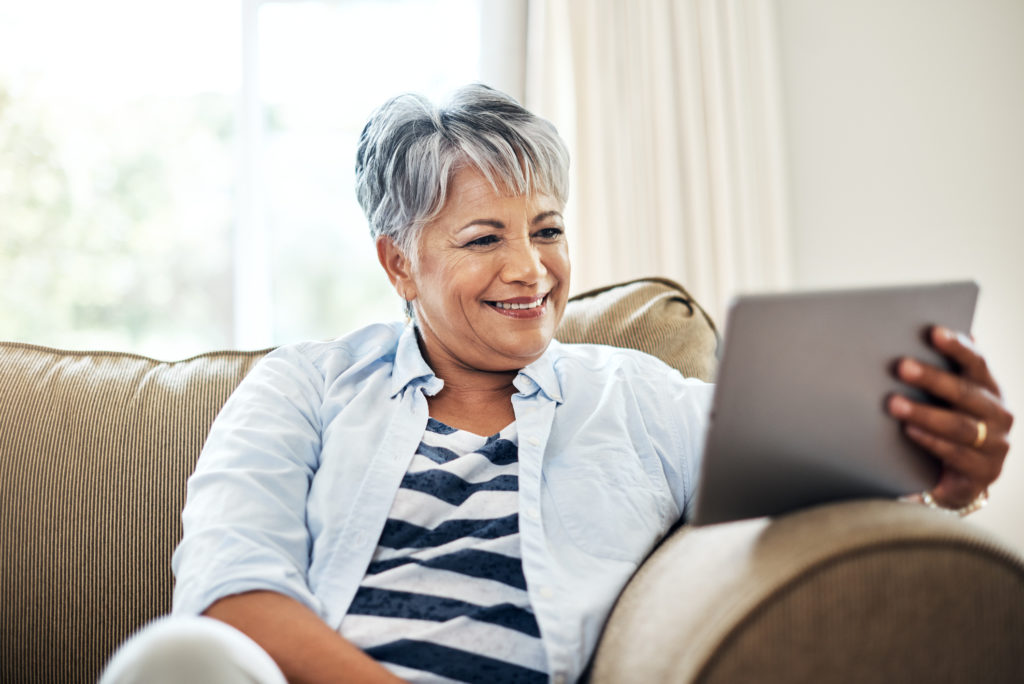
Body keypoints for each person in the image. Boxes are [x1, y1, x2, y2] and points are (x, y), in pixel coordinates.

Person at [100, 84, 1013, 684]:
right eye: (483, 238)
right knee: (174, 661)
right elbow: (230, 591)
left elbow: (811, 467)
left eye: (546, 229)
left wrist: (943, 469)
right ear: (398, 263)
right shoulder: (301, 386)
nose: (531, 270)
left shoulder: (641, 396)